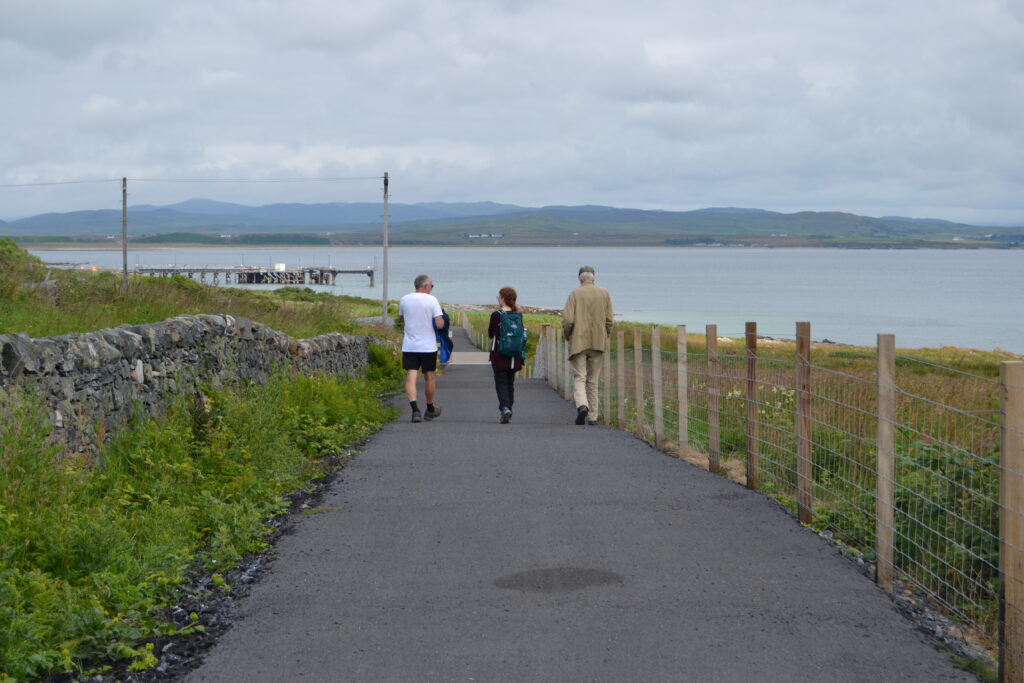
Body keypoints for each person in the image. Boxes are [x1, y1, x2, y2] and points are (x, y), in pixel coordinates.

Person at [561, 265, 613, 425]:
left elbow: (567, 320)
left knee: (580, 376)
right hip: (598, 341)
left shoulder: (574, 294)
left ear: (580, 279)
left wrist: (568, 335)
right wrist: (605, 335)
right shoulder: (604, 294)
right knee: (593, 380)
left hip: (579, 341)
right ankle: (593, 416)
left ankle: (582, 405)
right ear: (594, 278)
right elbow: (609, 320)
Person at [398, 274, 444, 423]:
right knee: (429, 376)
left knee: (411, 376)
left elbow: (401, 318)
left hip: (410, 345)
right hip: (427, 346)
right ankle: (430, 408)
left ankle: (415, 410)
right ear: (425, 286)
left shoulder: (405, 299)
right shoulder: (432, 300)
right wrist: (442, 322)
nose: (432, 288)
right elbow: (439, 324)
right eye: (431, 286)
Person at [488, 286, 526, 424]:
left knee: (501, 382)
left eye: (499, 296)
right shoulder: (518, 315)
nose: (498, 298)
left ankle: (504, 408)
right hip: (515, 355)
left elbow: (491, 334)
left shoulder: (496, 315)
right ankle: (509, 406)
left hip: (499, 354)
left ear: (503, 298)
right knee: (510, 382)